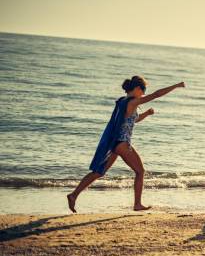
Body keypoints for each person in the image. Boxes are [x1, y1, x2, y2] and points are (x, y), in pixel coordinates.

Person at [67, 76, 185, 212]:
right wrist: (176, 86)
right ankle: (137, 204)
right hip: (122, 143)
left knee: (99, 172)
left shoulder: (122, 101)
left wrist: (146, 114)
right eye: (143, 89)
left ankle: (73, 195)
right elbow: (156, 94)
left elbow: (131, 121)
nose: (144, 93)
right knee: (140, 171)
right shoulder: (133, 102)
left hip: (114, 143)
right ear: (136, 89)